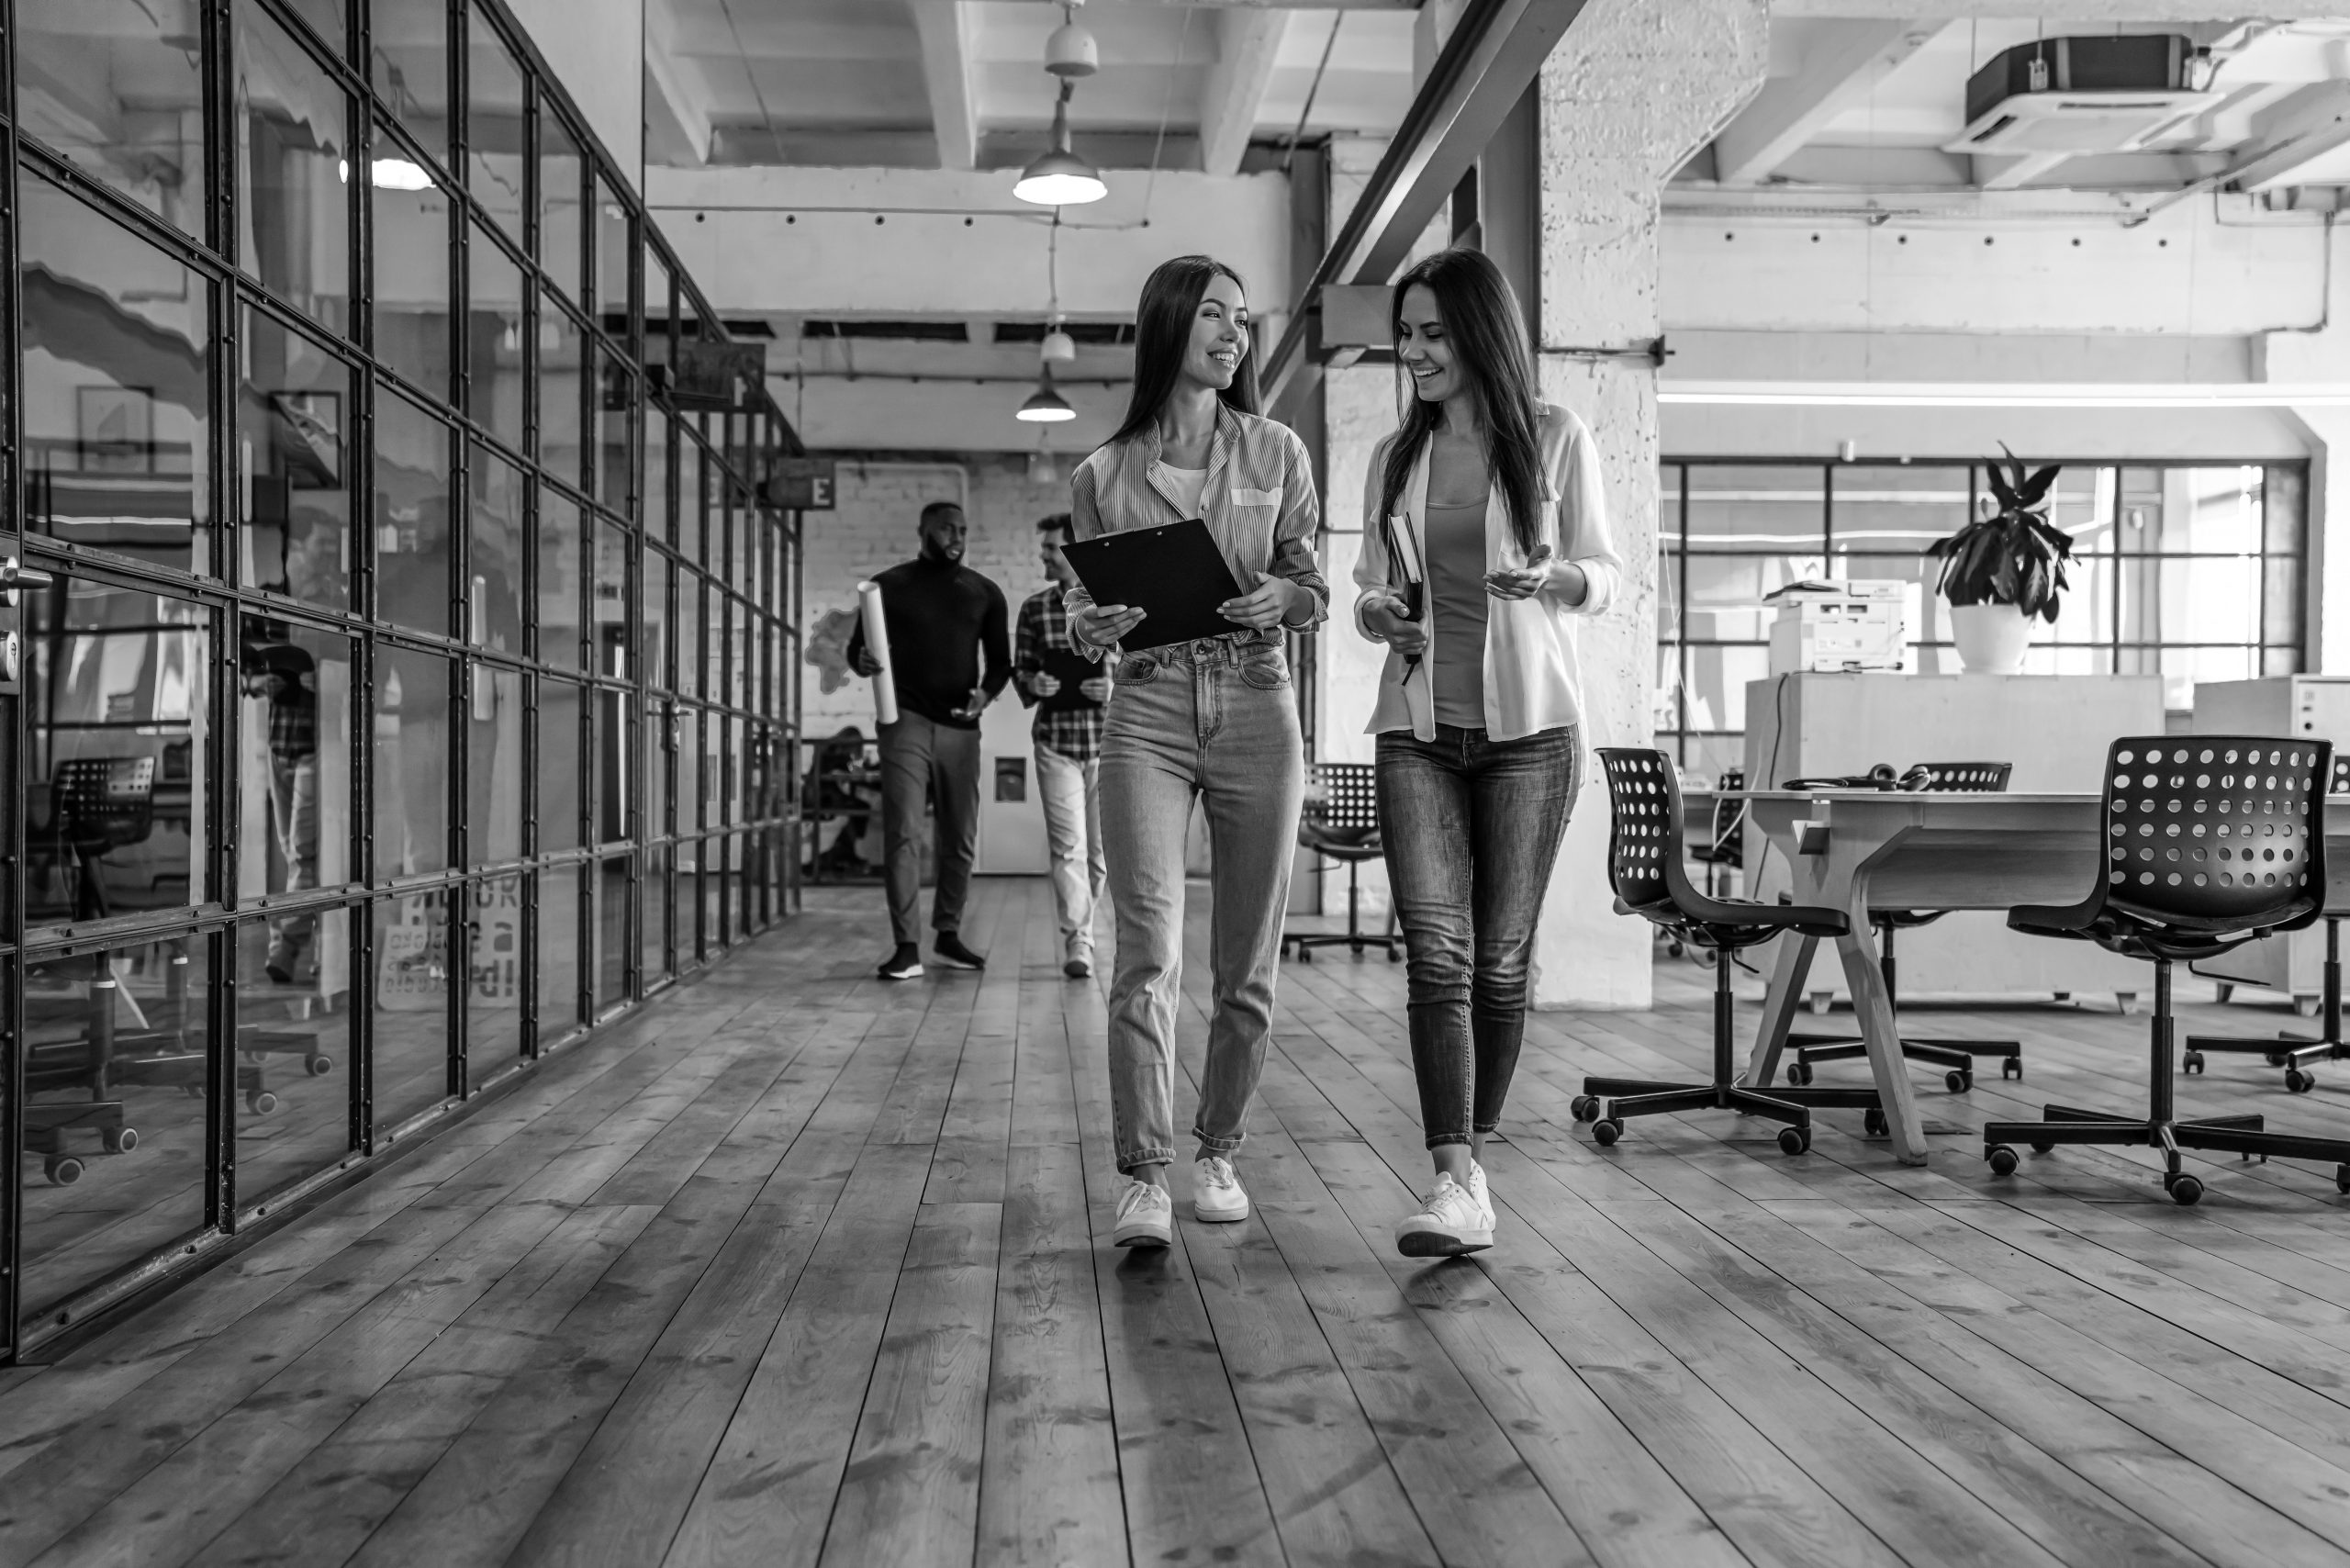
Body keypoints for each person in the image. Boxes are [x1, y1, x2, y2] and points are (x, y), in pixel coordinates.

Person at [1353, 247, 1623, 1258]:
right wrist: (1378, 611)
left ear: (1478, 334)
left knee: (1501, 962)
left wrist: (1555, 580)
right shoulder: (1394, 456)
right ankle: (1453, 1174)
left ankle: (1475, 1156)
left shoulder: (1553, 438)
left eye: (1431, 333)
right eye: (1405, 335)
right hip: (1417, 729)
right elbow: (1370, 586)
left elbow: (1607, 574)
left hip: (1529, 736)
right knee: (1437, 950)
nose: (1413, 353)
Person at [1066, 254, 1326, 1249]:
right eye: (1214, 314)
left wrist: (1288, 598)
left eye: (1242, 320)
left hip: (1258, 701)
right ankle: (1142, 1173)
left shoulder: (1276, 452)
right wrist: (1092, 629)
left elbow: (1313, 584)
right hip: (1148, 709)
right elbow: (1094, 612)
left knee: (1244, 962)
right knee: (1145, 956)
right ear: (1169, 324)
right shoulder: (1100, 473)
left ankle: (1217, 1149)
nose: (1234, 334)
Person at [846, 500, 1011, 980]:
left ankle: (948, 934)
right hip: (905, 722)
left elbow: (1000, 663)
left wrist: (985, 695)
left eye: (962, 528)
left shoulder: (984, 592)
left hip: (961, 727)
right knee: (903, 834)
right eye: (945, 528)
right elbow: (859, 652)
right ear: (923, 530)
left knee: (959, 836)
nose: (956, 536)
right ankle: (906, 946)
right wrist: (864, 663)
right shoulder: (888, 587)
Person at [1014, 513, 1113, 979]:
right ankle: (1079, 941)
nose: (1044, 556)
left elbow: (1143, 666)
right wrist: (1034, 680)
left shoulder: (1117, 602)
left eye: (1051, 548)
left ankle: (1085, 929)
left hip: (1110, 745)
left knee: (1099, 855)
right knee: (1068, 847)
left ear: (1075, 550)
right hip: (1055, 743)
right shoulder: (1034, 610)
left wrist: (1113, 687)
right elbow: (1022, 673)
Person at [241, 616, 319, 984]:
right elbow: (235, 668)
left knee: (302, 852)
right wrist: (255, 682)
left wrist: (321, 686)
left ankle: (284, 948)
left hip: (315, 752)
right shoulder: (273, 628)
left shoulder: (327, 632)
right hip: (279, 751)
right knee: (291, 852)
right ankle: (307, 940)